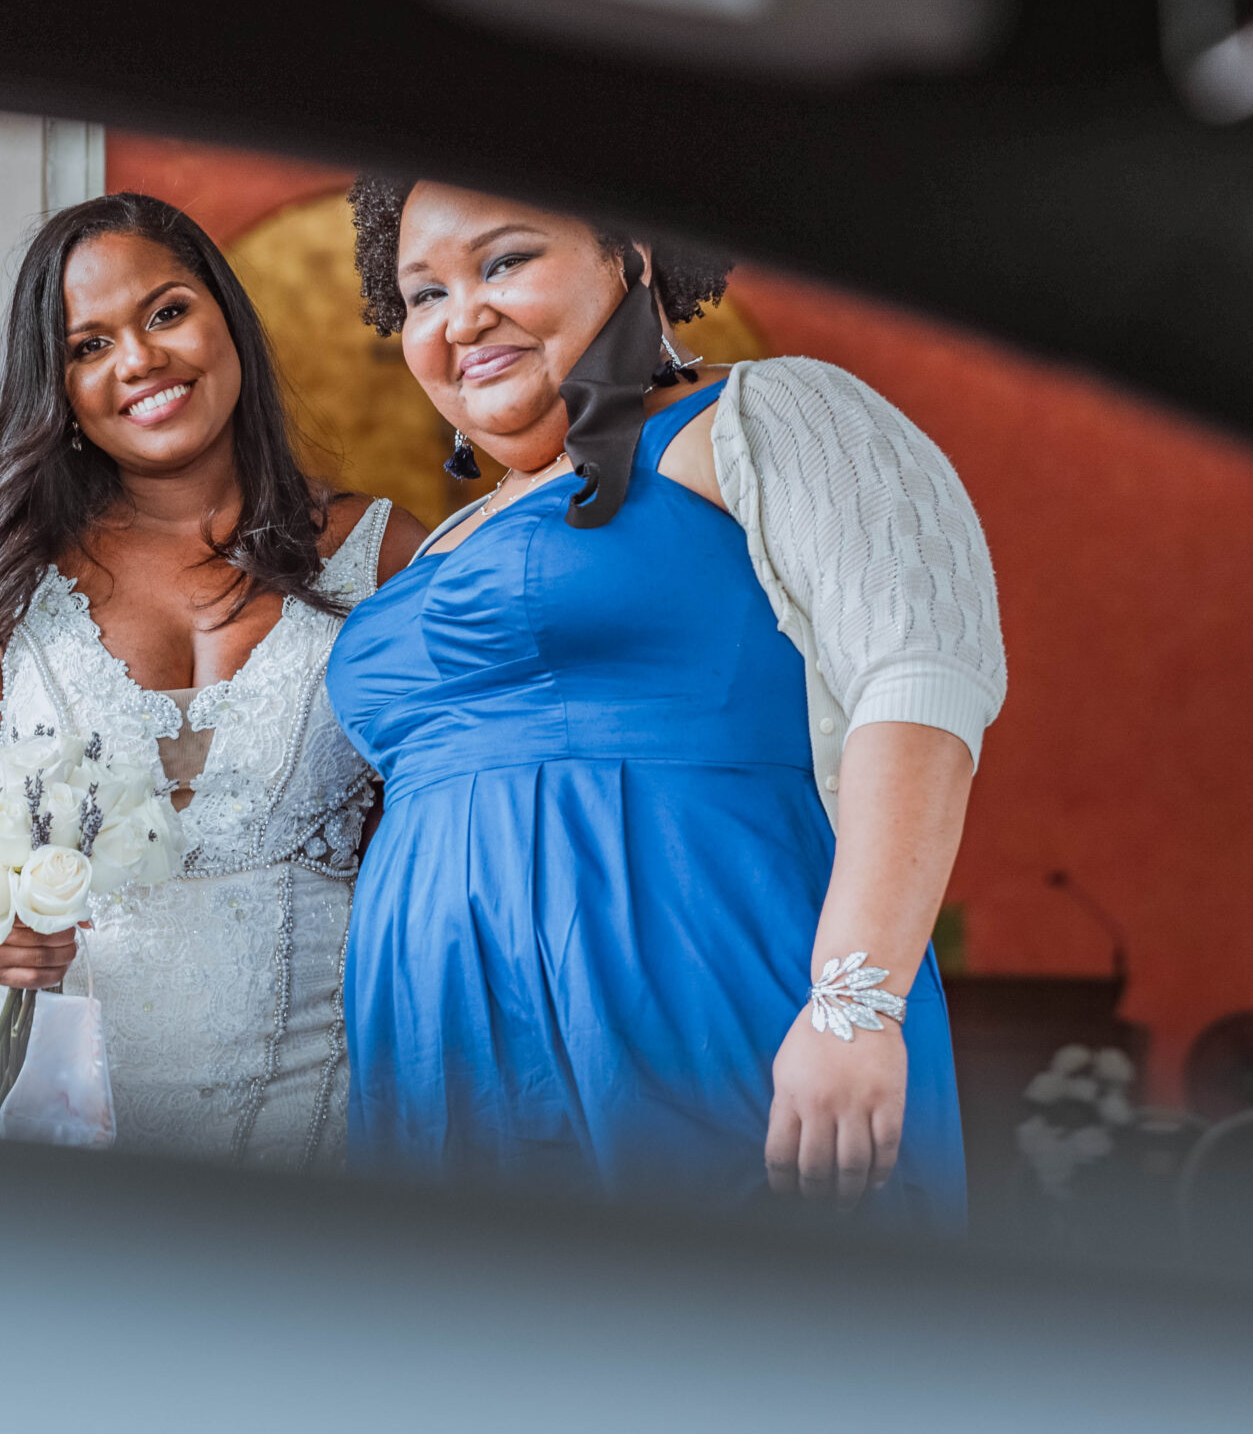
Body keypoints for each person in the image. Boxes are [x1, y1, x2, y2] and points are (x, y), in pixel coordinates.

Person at [325, 179, 1005, 1230]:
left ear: (631, 251)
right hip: (436, 1061)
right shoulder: (443, 539)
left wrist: (854, 1005)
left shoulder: (767, 414)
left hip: (711, 1015)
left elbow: (921, 680)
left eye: (504, 262)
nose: (461, 318)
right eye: (423, 295)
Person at [0, 192, 426, 1165]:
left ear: (228, 318)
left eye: (166, 312)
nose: (138, 360)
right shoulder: (8, 585)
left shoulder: (384, 557)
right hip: (44, 1118)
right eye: (88, 346)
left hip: (308, 1119)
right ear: (59, 390)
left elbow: (429, 843)